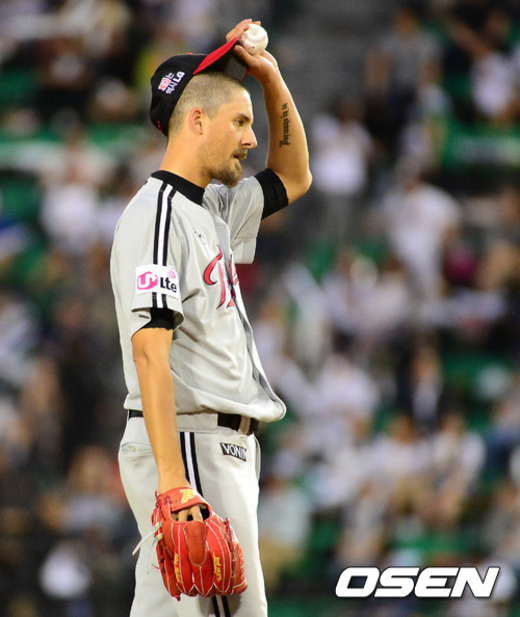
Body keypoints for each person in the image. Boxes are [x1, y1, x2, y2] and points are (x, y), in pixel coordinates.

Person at [110, 18, 311, 617]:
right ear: (196, 120)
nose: (251, 139)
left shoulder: (211, 206)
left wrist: (271, 79)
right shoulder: (159, 214)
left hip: (211, 444)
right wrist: (175, 481)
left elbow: (294, 176)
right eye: (241, 122)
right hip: (191, 443)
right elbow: (150, 351)